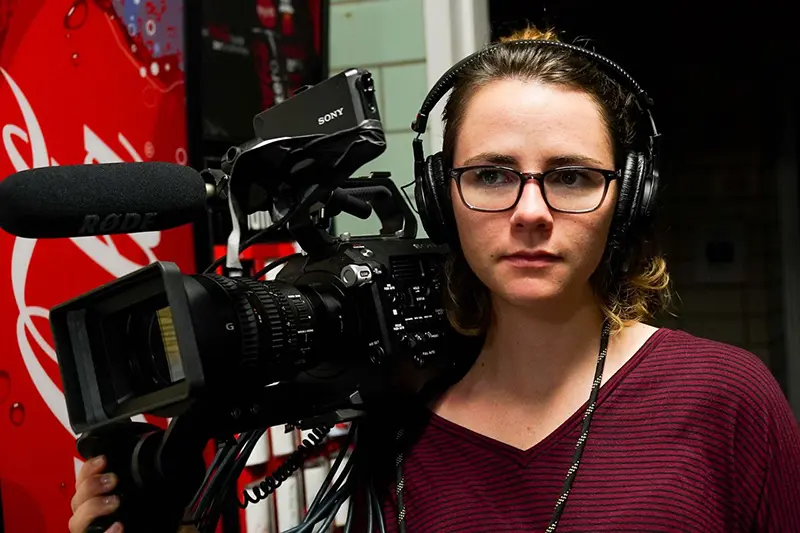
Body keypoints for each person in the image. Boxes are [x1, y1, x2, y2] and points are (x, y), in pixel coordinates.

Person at [69, 26, 800, 533]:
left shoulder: (725, 397)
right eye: (490, 175)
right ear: (437, 196)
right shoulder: (391, 413)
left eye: (572, 177)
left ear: (628, 196)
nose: (531, 213)